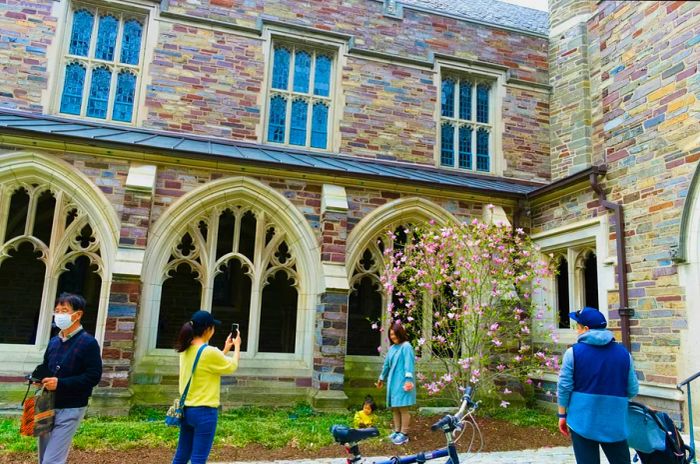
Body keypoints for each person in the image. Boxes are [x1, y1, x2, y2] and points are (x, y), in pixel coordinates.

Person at [557, 306, 639, 464]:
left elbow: (564, 387)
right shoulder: (624, 354)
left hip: (582, 421)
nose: (576, 331)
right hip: (614, 422)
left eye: (577, 327)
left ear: (586, 329)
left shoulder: (573, 353)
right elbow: (633, 390)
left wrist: (562, 415)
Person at [35, 293, 102, 464]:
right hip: (46, 404)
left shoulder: (89, 343)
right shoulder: (54, 342)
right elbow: (46, 366)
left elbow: (93, 376)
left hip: (71, 407)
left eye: (64, 310)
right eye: (57, 311)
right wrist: (37, 378)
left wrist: (60, 384)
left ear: (77, 314)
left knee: (52, 460)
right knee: (43, 457)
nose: (59, 315)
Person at [172, 310, 241, 464]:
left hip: (187, 410)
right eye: (213, 327)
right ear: (207, 329)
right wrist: (237, 347)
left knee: (181, 455)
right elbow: (231, 366)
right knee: (198, 458)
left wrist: (225, 349)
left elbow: (206, 365)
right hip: (204, 412)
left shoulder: (185, 349)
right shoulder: (209, 352)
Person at [376, 321, 416, 445]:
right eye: (391, 335)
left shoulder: (406, 346)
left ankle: (404, 434)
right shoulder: (392, 348)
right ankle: (397, 431)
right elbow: (387, 365)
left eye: (394, 334)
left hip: (403, 382)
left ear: (400, 333)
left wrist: (409, 380)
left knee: (403, 407)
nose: (393, 337)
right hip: (393, 382)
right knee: (395, 408)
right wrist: (381, 378)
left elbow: (409, 364)